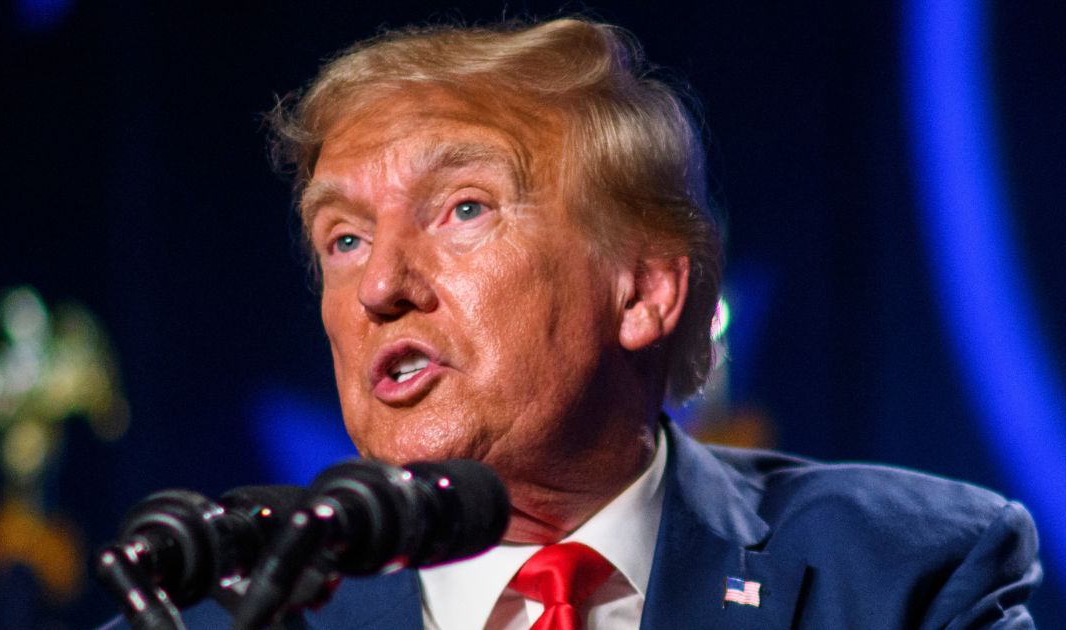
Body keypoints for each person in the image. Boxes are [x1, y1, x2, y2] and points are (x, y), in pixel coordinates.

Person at [115, 17, 1042, 629]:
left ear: (642, 292)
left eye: (463, 209)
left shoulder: (901, 581)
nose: (381, 286)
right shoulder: (212, 618)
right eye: (345, 238)